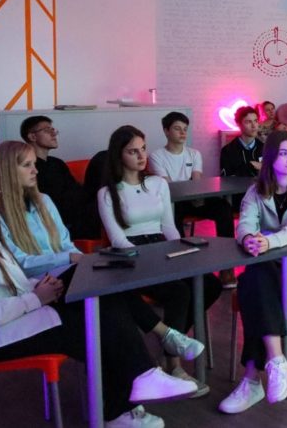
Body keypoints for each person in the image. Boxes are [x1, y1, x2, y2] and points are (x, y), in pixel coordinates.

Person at [0, 158, 199, 427]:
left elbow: (7, 283)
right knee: (97, 324)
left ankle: (134, 389)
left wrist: (38, 288)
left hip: (17, 313)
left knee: (100, 294)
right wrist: (36, 297)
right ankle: (130, 394)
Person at [0, 141, 207, 387]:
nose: (36, 170)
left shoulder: (44, 201)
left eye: (34, 164)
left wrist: (79, 260)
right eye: (27, 165)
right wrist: (70, 259)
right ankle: (162, 340)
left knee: (112, 293)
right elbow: (19, 264)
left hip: (70, 273)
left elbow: (66, 242)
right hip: (41, 287)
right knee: (112, 294)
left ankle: (148, 366)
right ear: (9, 171)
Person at [98, 125, 222, 392]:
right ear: (119, 155)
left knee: (210, 284)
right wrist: (148, 257)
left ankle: (168, 341)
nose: (141, 156)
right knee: (178, 291)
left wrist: (181, 251)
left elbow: (169, 226)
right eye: (133, 151)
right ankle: (174, 364)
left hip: (162, 246)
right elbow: (117, 239)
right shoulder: (108, 193)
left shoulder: (157, 184)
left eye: (143, 149)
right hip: (131, 254)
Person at [220, 132, 287, 414]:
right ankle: (276, 361)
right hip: (268, 264)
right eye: (283, 153)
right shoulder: (256, 191)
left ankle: (252, 380)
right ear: (269, 158)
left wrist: (268, 241)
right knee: (256, 281)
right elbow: (245, 224)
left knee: (252, 284)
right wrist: (248, 239)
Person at [151, 112, 237, 286]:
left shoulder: (194, 154)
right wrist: (191, 190)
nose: (183, 133)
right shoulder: (156, 156)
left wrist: (197, 195)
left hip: (194, 197)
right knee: (173, 216)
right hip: (173, 202)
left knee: (224, 208)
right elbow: (168, 187)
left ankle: (227, 268)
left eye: (185, 129)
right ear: (166, 131)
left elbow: (197, 182)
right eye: (177, 128)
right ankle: (184, 267)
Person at [20, 116, 97, 238]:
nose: (53, 134)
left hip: (75, 216)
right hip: (52, 221)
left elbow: (77, 192)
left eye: (53, 130)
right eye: (47, 130)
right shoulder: (26, 169)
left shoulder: (57, 163)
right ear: (32, 137)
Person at [220, 106, 265, 180]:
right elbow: (226, 179)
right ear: (238, 124)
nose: (254, 126)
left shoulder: (265, 148)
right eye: (248, 122)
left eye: (256, 121)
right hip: (237, 188)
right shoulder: (228, 151)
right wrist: (251, 165)